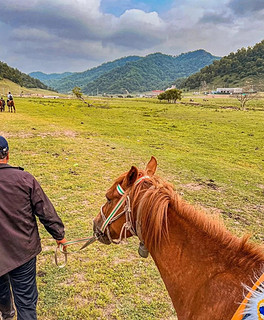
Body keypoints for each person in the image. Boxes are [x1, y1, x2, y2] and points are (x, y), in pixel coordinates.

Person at [0, 136, 67, 320]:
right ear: (7, 154)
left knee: (1, 287)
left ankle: (7, 313)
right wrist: (59, 235)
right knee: (26, 302)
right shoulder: (25, 179)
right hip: (22, 251)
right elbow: (44, 210)